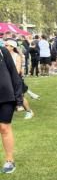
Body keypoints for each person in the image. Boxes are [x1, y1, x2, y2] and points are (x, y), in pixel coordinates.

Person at [0, 44, 23, 173]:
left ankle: (10, 161)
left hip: (6, 96)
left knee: (4, 127)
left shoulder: (3, 51)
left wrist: (19, 99)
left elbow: (14, 74)